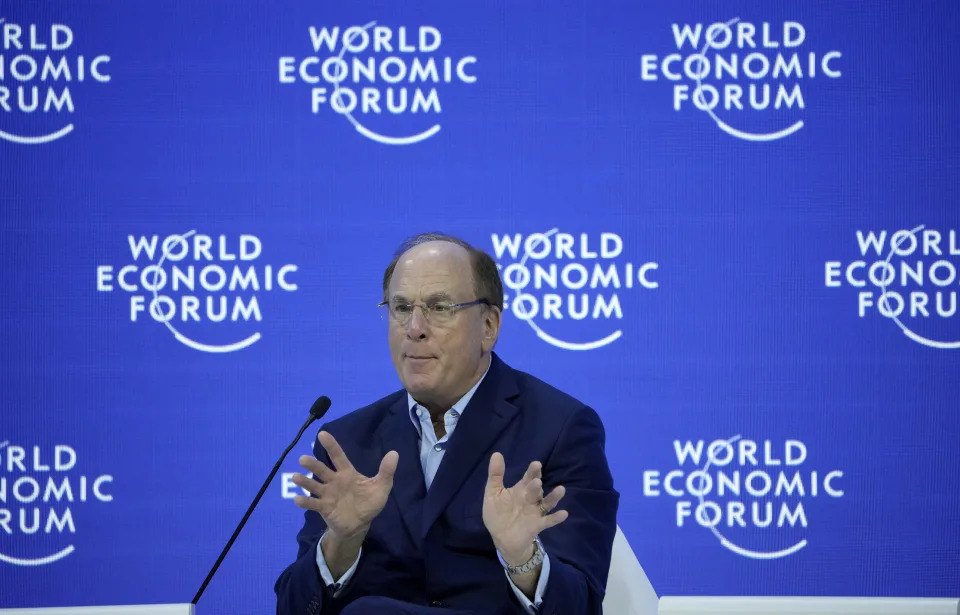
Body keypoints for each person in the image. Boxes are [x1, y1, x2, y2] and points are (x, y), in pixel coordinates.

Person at [275, 232, 619, 615]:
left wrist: (523, 558)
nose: (415, 327)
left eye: (440, 307)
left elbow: (583, 606)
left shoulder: (561, 429)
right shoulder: (346, 444)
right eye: (401, 307)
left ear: (489, 325)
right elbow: (291, 609)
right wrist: (341, 542)